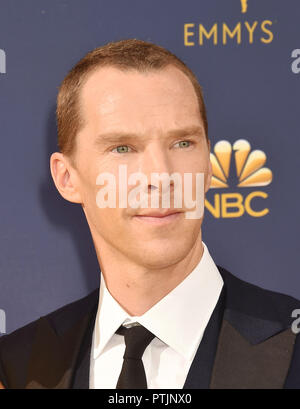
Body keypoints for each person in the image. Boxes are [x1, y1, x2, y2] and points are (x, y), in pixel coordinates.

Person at [0, 39, 299, 389]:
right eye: (123, 148)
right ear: (67, 178)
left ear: (208, 163)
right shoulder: (18, 368)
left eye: (182, 143)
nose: (161, 175)